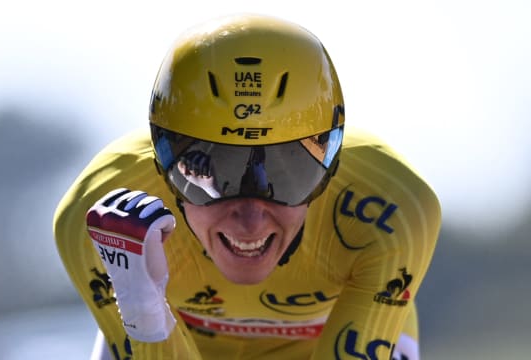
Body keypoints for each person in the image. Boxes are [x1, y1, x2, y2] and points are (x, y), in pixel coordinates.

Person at [53, 13, 441, 360]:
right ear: (162, 162)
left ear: (331, 166)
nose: (250, 222)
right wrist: (145, 318)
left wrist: (146, 317)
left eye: (287, 176)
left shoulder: (395, 207)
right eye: (212, 178)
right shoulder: (97, 211)